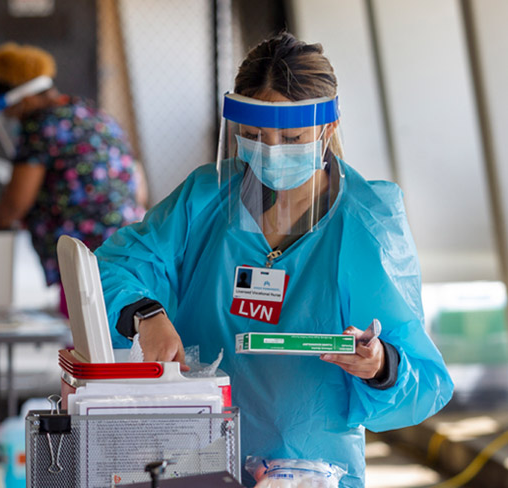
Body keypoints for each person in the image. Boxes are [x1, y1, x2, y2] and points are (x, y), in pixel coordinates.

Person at [94, 32, 453, 487]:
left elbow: (424, 377)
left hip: (309, 471)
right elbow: (112, 266)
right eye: (254, 136)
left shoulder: (367, 223)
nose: (271, 150)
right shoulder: (207, 199)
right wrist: (145, 314)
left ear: (327, 128)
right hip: (193, 455)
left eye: (292, 137)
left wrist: (380, 366)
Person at [0, 42, 147, 306]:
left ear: (25, 101)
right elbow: (139, 187)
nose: (13, 119)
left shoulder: (40, 126)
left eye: (12, 112)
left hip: (83, 257)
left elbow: (16, 201)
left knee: (84, 338)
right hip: (129, 244)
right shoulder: (97, 115)